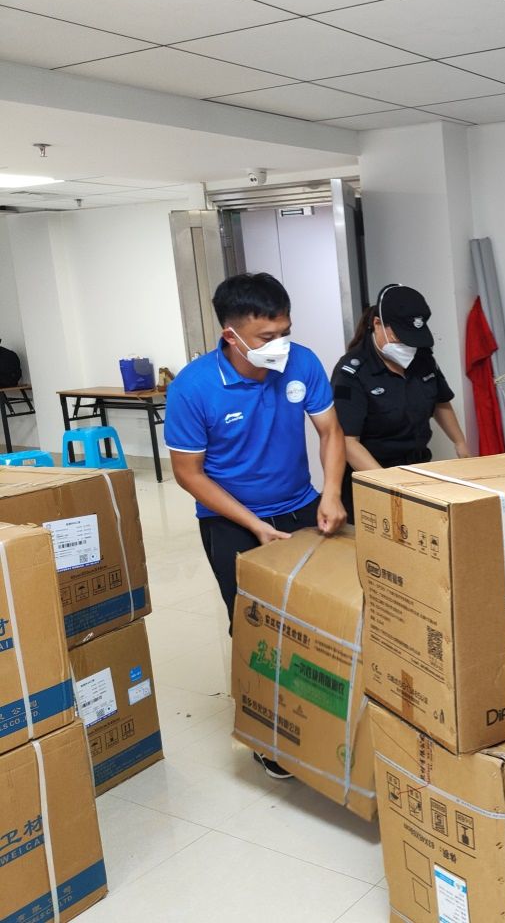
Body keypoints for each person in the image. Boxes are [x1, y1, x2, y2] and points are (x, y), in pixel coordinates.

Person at [165, 272, 347, 778]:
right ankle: (271, 733)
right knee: (256, 624)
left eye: (284, 331)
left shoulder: (302, 362)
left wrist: (331, 493)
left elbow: (331, 432)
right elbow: (188, 474)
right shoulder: (193, 388)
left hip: (299, 503)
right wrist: (254, 526)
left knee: (321, 613)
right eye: (267, 337)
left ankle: (323, 717)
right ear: (232, 336)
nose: (279, 344)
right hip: (230, 518)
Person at [331, 284, 470, 516]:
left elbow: (440, 400)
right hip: (372, 478)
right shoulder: (351, 372)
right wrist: (389, 486)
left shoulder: (422, 358)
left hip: (417, 472)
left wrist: (460, 443)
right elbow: (348, 443)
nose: (407, 347)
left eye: (412, 339)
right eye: (400, 338)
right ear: (377, 324)